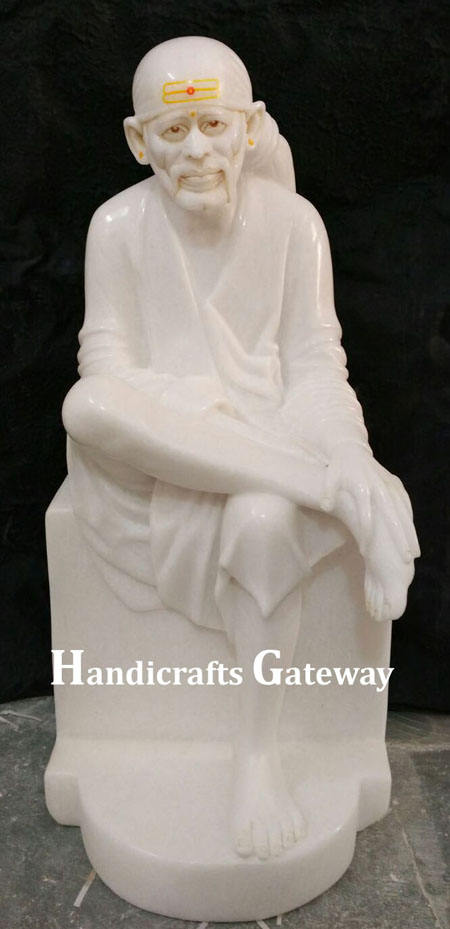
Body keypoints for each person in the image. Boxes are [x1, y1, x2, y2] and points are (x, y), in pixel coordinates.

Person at [63, 36, 419, 861]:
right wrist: (324, 477)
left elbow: (316, 366)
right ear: (139, 140)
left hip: (271, 432)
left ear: (250, 128)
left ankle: (257, 758)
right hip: (160, 448)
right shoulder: (115, 226)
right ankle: (323, 491)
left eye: (214, 125)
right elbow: (105, 369)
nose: (196, 149)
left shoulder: (295, 225)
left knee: (261, 521)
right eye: (173, 130)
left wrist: (349, 453)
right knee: (87, 405)